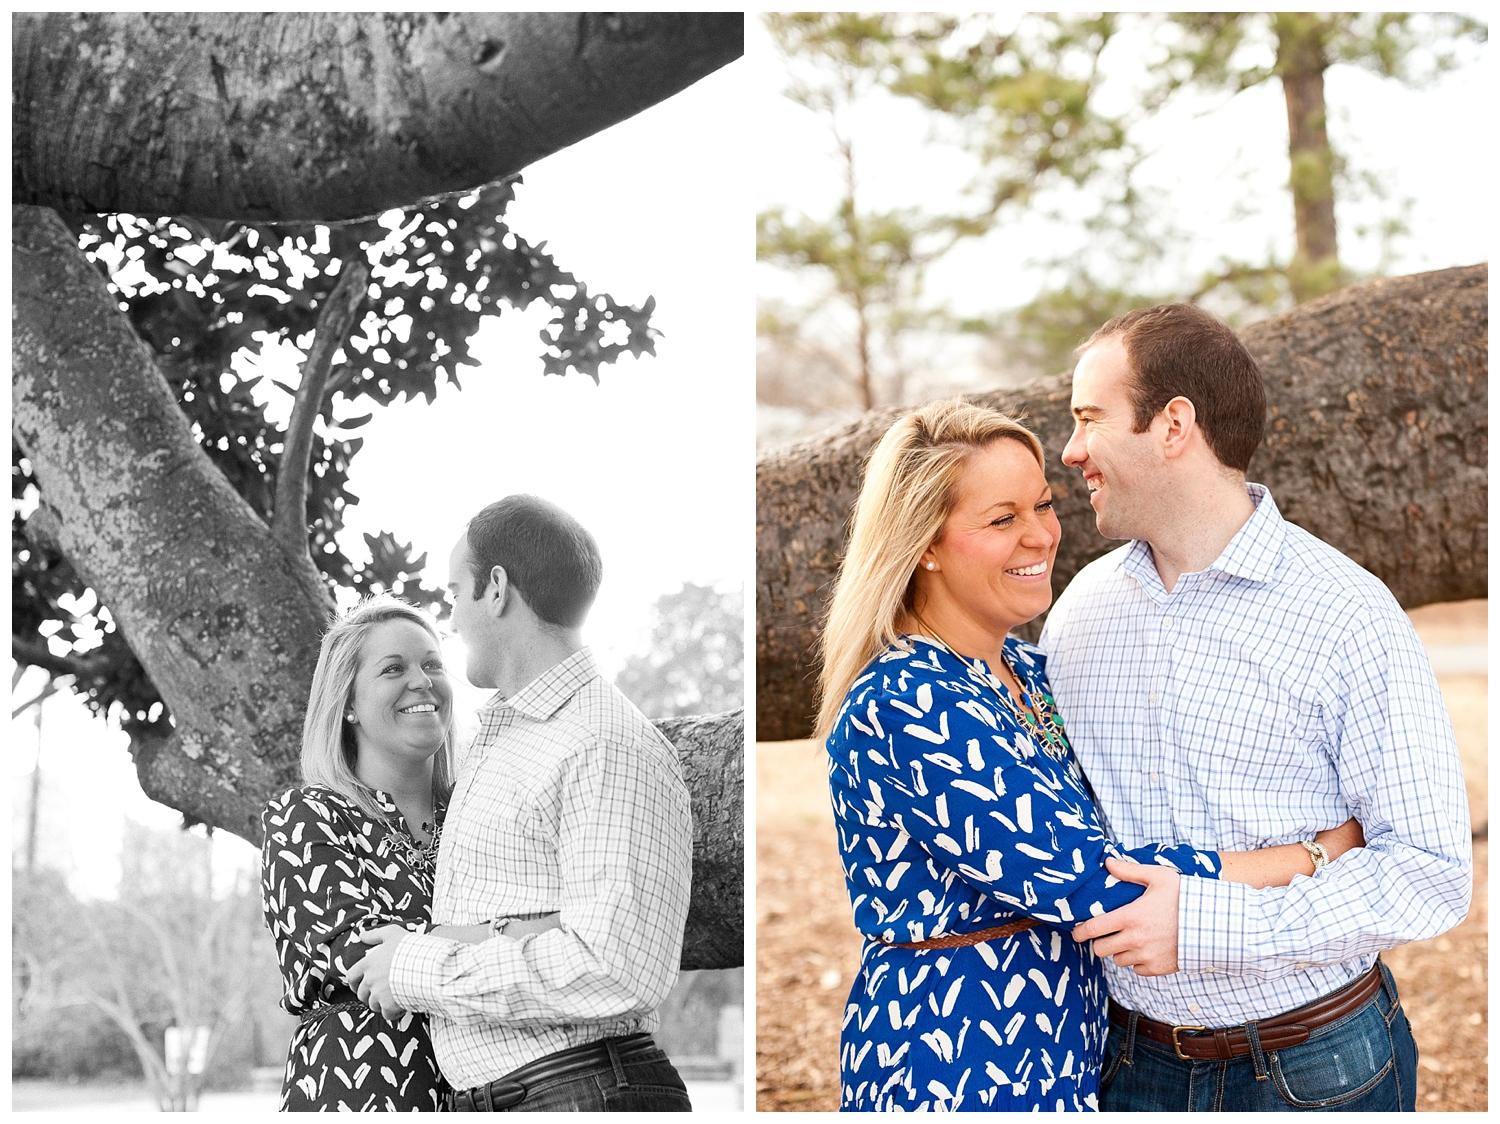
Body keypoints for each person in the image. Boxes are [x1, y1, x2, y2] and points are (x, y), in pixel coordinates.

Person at [818, 399, 1364, 1112]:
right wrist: (1313, 856)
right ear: (923, 542)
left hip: (1065, 1051)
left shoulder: (1027, 670)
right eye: (1001, 518)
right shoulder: (907, 701)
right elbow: (1096, 882)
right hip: (956, 1058)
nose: (1042, 535)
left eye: (1043, 505)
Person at [1042, 302, 1472, 1111]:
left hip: (1317, 1068)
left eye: (1089, 419)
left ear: (1175, 424)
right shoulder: (1080, 613)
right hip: (1125, 1063)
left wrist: (1208, 927)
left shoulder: (1348, 614)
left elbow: (1428, 872)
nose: (1070, 451)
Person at [344, 494, 696, 1112]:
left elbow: (615, 967)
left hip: (579, 1093)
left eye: (457, 593)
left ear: (497, 589)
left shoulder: (604, 742)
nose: (451, 618)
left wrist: (418, 968)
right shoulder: (508, 740)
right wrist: (504, 931)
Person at [260, 595, 560, 1111]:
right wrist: (514, 931)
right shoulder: (305, 815)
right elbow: (367, 960)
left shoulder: (479, 814)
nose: (421, 681)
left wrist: (425, 943)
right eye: (393, 669)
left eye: (432, 665)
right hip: (358, 1086)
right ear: (347, 703)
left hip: (501, 1092)